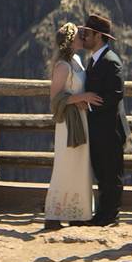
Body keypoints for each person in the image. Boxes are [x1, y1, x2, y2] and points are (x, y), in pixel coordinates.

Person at [43, 23, 102, 229]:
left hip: (81, 119)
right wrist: (81, 97)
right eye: (79, 35)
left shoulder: (76, 60)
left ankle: (78, 213)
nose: (83, 37)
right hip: (69, 123)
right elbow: (55, 99)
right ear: (71, 41)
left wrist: (81, 100)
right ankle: (54, 215)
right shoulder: (63, 66)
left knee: (80, 165)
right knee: (65, 165)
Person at [79, 14, 129, 226]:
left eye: (87, 34)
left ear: (98, 36)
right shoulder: (95, 60)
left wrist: (88, 104)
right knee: (102, 170)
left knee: (110, 172)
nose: (84, 38)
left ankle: (110, 215)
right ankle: (103, 213)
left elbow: (115, 94)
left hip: (110, 128)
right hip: (99, 128)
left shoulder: (111, 62)